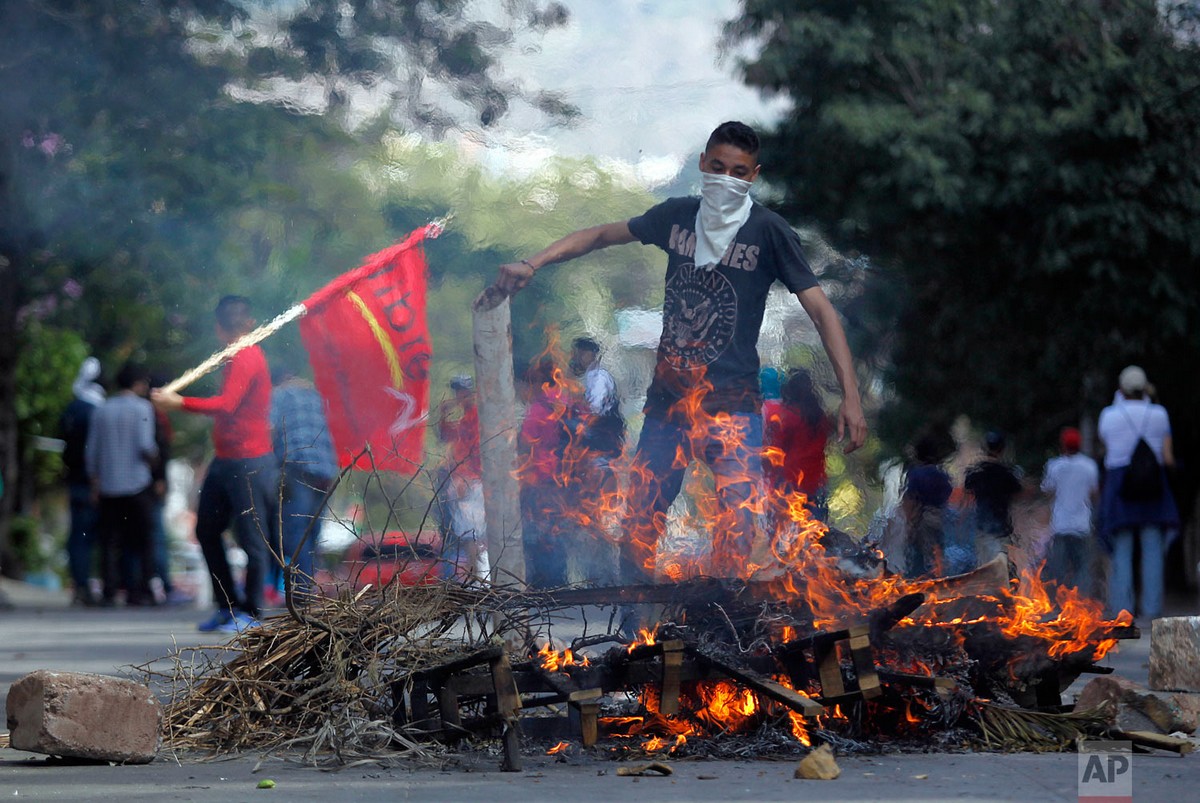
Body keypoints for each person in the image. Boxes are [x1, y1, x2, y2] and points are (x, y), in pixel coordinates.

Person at [491, 121, 866, 582]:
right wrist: (534, 262)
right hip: (668, 407)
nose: (727, 177)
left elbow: (822, 311)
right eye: (718, 167)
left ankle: (721, 623)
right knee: (639, 523)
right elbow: (601, 235)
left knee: (738, 522)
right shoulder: (677, 216)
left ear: (753, 176)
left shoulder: (769, 231)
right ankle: (632, 630)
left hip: (732, 407)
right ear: (704, 164)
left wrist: (850, 396)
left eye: (739, 171)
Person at [152, 296, 275, 633]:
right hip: (226, 460)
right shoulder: (235, 355)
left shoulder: (247, 355)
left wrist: (179, 403)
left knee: (252, 539)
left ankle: (250, 611)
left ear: (220, 327)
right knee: (207, 530)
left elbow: (228, 404)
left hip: (250, 462)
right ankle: (228, 606)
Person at [1097, 365, 1179, 620]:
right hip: (1153, 487)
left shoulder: (1109, 414)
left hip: (1120, 487)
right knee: (1153, 550)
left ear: (1121, 389)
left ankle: (1124, 611)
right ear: (1145, 388)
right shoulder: (1160, 413)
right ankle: (1152, 612)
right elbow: (1167, 458)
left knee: (1121, 552)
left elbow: (1105, 444)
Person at [85, 362, 158, 606]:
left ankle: (109, 591)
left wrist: (95, 481)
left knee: (109, 542)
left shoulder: (101, 410)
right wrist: (156, 463)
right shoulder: (143, 408)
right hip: (137, 484)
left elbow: (92, 451)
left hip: (108, 485)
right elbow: (145, 446)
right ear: (138, 384)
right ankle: (141, 590)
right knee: (141, 541)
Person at [270, 361, 338, 598]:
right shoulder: (315, 395)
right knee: (313, 532)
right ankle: (308, 587)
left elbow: (271, 427)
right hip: (326, 470)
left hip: (298, 466)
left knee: (296, 533)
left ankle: (300, 593)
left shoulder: (279, 394)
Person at [566, 337, 624, 585]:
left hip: (599, 458)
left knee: (598, 519)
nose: (578, 357)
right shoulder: (586, 380)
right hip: (591, 458)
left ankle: (606, 576)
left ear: (591, 354)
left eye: (581, 353)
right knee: (591, 520)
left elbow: (594, 413)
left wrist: (570, 421)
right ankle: (597, 576)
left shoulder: (598, 378)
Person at [519, 357, 573, 588]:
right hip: (565, 477)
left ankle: (543, 582)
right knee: (557, 528)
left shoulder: (538, 409)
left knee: (536, 531)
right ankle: (558, 579)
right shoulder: (567, 401)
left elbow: (526, 439)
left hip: (540, 477)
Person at [60, 357, 105, 605]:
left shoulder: (72, 409)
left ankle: (80, 585)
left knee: (78, 535)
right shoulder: (97, 410)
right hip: (94, 483)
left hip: (75, 480)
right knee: (94, 537)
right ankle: (91, 587)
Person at [436, 375, 489, 583]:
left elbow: (476, 452)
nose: (460, 395)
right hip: (462, 480)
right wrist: (443, 415)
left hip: (471, 482)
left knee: (474, 535)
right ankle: (476, 580)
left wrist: (464, 479)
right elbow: (444, 436)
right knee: (467, 536)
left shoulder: (477, 415)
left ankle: (481, 581)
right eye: (457, 390)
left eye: (464, 390)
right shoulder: (466, 416)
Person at [763, 367, 831, 521]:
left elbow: (775, 452)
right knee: (815, 533)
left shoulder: (787, 417)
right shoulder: (820, 417)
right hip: (816, 483)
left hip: (790, 485)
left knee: (785, 536)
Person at [1040, 427, 1100, 596]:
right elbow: (1094, 494)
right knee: (1082, 569)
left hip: (1061, 525)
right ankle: (1081, 606)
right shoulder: (1089, 466)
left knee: (1059, 569)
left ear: (1062, 445)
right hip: (1082, 525)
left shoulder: (1054, 466)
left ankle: (1061, 606)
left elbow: (1047, 491)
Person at [897, 432, 954, 578]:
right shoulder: (942, 475)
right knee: (937, 552)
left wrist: (909, 523)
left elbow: (910, 499)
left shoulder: (916, 474)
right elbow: (948, 496)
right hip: (940, 518)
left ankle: (920, 584)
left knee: (918, 557)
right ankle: (939, 580)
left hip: (922, 519)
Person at [964, 431, 1024, 568]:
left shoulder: (976, 472)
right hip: (1001, 529)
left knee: (984, 568)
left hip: (982, 529)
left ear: (985, 448)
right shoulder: (1006, 473)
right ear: (1002, 449)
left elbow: (966, 494)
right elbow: (1019, 494)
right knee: (1003, 568)